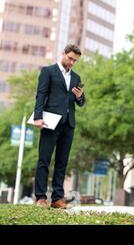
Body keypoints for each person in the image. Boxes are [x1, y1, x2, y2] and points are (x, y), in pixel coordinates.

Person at [33, 44, 85, 209]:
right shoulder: (48, 72)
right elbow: (41, 94)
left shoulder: (76, 78)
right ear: (62, 54)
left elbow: (80, 103)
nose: (71, 62)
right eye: (70, 58)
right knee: (44, 160)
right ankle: (41, 198)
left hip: (68, 124)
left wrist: (80, 97)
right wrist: (38, 117)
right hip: (50, 122)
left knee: (62, 162)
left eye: (75, 61)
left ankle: (57, 199)